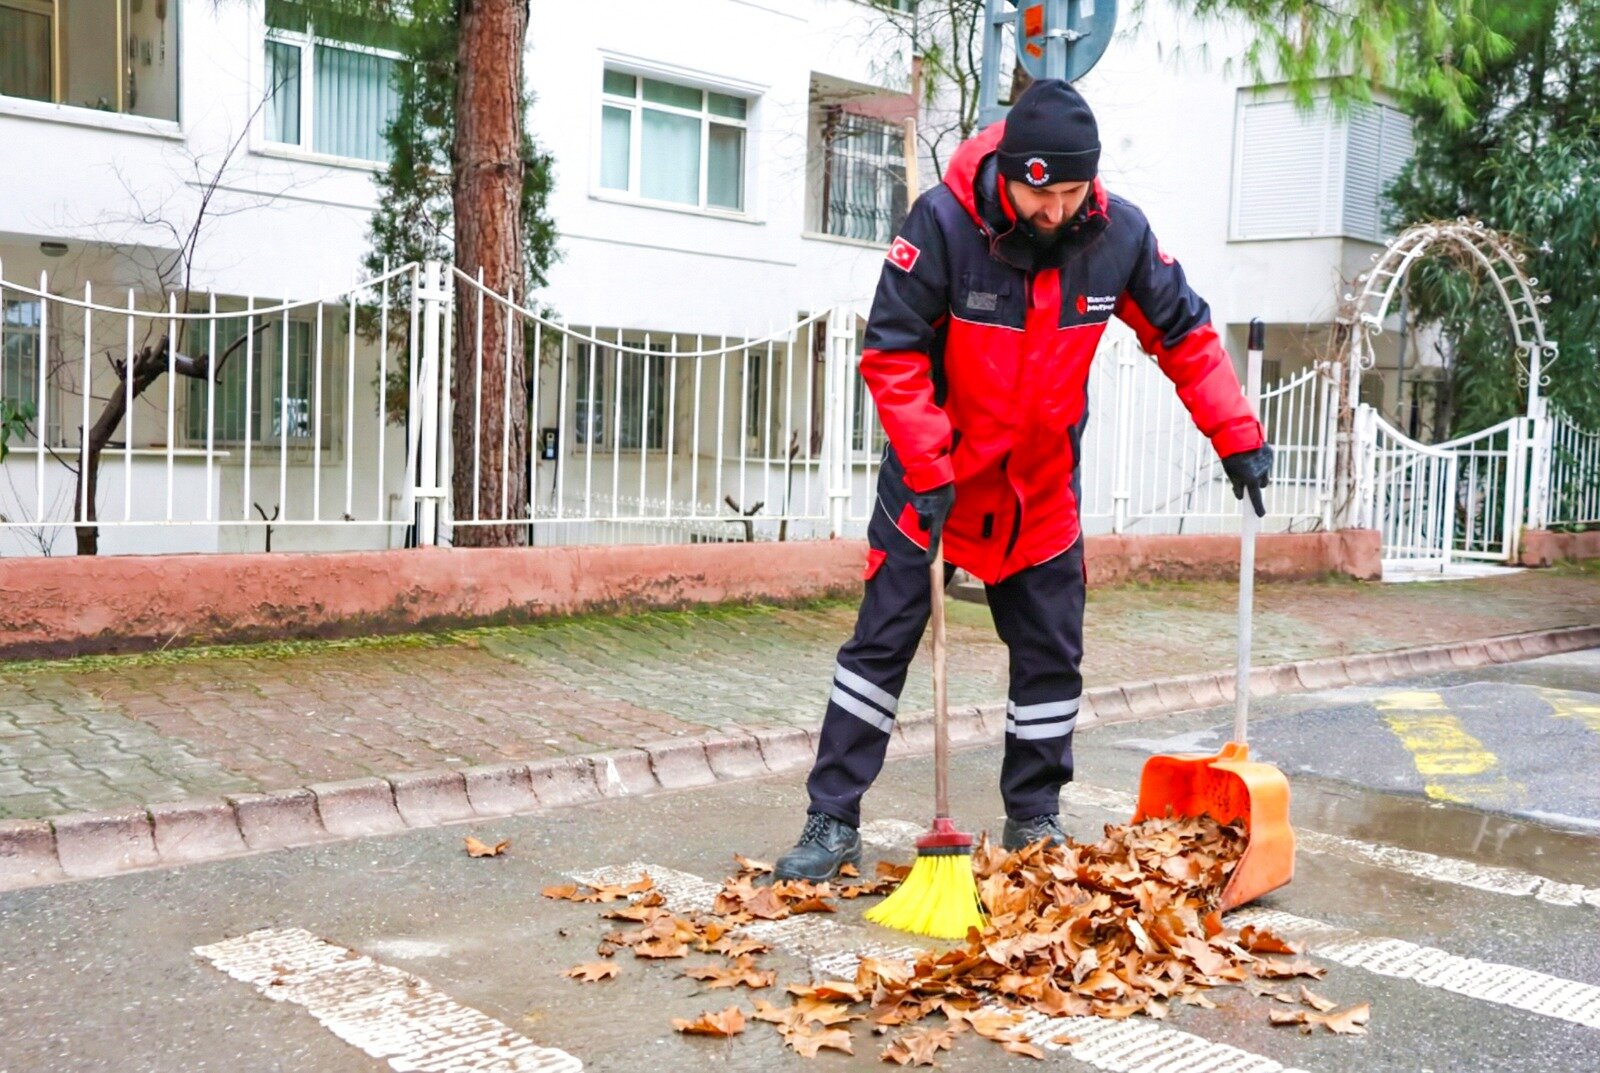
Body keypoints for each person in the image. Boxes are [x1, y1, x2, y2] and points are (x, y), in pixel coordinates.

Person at [773, 78, 1274, 881]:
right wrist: (927, 462)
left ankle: (1034, 815)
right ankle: (831, 818)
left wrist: (1236, 433)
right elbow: (892, 353)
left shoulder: (1117, 235)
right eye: (1041, 194)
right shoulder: (943, 226)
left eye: (1072, 193)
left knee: (1050, 658)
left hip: (1040, 493)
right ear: (1009, 174)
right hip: (934, 483)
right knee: (878, 650)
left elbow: (1183, 333)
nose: (1055, 211)